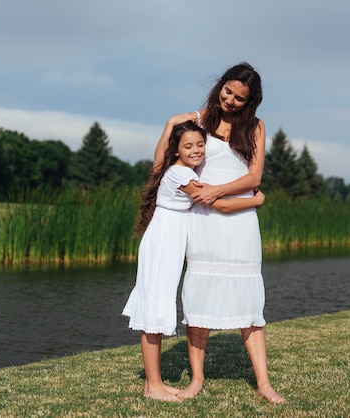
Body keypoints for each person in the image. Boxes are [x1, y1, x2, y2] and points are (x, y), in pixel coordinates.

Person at [155, 62, 285, 404]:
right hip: (204, 219)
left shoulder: (256, 128)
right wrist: (169, 124)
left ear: (250, 101)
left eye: (239, 98)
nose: (230, 101)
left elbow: (254, 177)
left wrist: (220, 191)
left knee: (250, 301)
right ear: (220, 87)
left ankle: (264, 383)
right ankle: (197, 379)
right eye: (227, 92)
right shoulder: (199, 121)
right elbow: (167, 163)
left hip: (241, 222)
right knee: (199, 297)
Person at [122, 121, 265, 402]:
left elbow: (157, 162)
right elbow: (220, 204)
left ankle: (157, 383)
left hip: (173, 241)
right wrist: (256, 201)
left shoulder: (181, 170)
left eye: (201, 144)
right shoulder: (179, 175)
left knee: (159, 304)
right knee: (155, 305)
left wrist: (170, 125)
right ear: (176, 150)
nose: (196, 150)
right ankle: (152, 386)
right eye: (188, 146)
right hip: (163, 241)